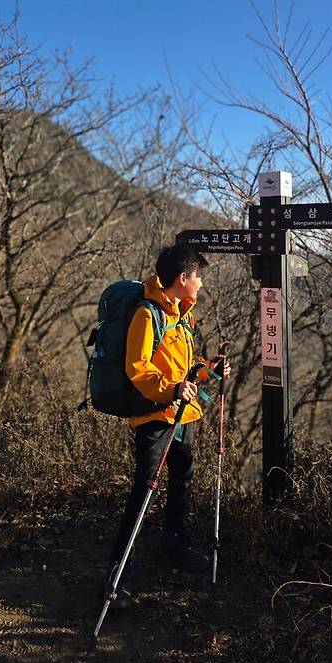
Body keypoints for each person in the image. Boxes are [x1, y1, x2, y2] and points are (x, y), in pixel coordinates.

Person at [106, 244, 230, 605]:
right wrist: (172, 389)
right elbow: (138, 368)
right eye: (198, 277)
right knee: (144, 492)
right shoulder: (148, 315)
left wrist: (209, 370)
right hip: (156, 417)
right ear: (182, 278)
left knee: (181, 481)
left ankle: (174, 541)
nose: (201, 283)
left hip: (183, 414)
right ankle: (117, 573)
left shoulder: (181, 315)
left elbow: (184, 366)